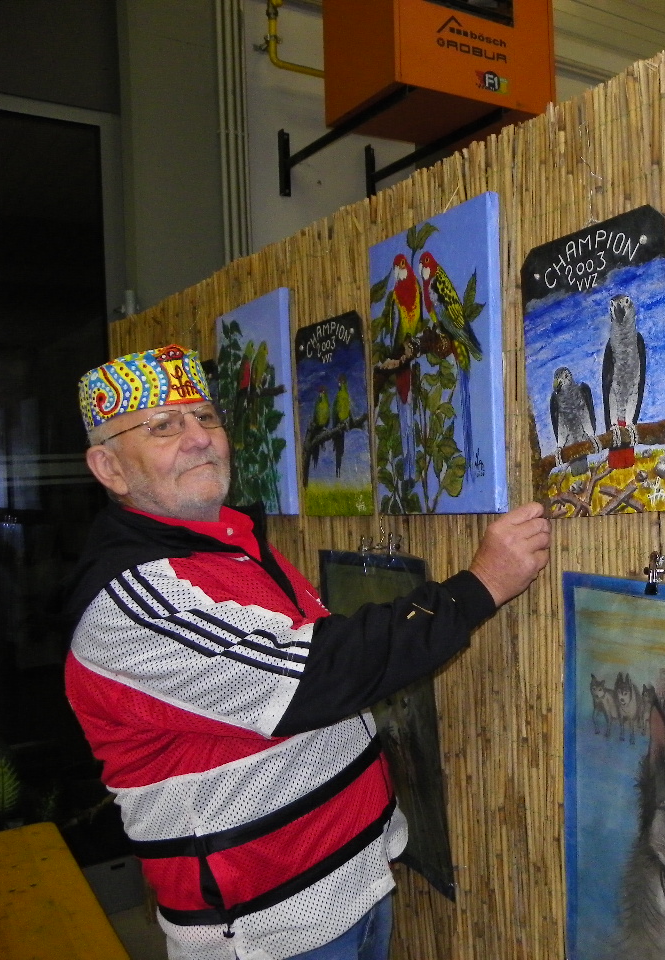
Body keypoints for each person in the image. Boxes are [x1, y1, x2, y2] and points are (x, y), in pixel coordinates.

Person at [63, 344, 551, 960]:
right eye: (163, 426)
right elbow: (314, 676)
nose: (199, 438)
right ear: (108, 467)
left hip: (351, 882)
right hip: (270, 929)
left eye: (206, 417)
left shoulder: (228, 547)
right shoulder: (132, 600)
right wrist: (480, 587)